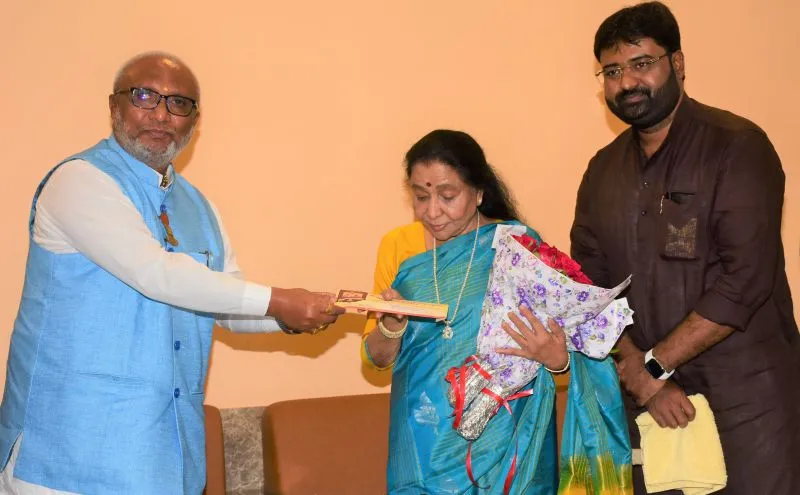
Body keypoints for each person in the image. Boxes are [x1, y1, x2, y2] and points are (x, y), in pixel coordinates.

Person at [0, 52, 343, 494]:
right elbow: (156, 273)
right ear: (113, 106)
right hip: (65, 457)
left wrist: (307, 313)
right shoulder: (78, 181)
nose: (161, 114)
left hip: (159, 457)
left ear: (194, 123)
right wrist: (279, 300)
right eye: (144, 96)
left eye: (179, 104)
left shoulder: (199, 207)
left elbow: (225, 302)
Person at [571, 2, 800, 493]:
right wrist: (638, 370)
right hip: (654, 405)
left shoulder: (737, 147)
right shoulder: (601, 172)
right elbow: (587, 284)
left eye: (641, 63)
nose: (627, 82)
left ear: (677, 63)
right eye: (612, 71)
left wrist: (652, 365)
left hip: (748, 398)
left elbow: (744, 280)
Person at [362, 129, 632, 494]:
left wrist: (556, 360)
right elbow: (376, 359)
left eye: (447, 195)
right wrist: (391, 327)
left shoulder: (517, 247)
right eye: (420, 196)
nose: (432, 211)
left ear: (478, 193)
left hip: (505, 433)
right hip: (422, 438)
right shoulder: (401, 250)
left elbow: (570, 346)